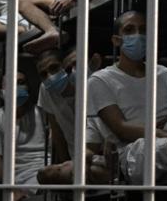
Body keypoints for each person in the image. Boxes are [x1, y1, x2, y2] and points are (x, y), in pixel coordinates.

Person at [88, 10, 167, 182]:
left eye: (143, 30)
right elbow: (121, 128)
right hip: (132, 150)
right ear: (116, 40)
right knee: (156, 149)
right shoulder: (100, 80)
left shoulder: (164, 74)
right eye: (129, 30)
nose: (138, 35)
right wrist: (163, 134)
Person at [34, 48, 111, 185]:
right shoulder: (46, 90)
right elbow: (56, 131)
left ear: (65, 66)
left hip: (105, 153)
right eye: (43, 74)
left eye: (54, 68)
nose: (50, 77)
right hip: (77, 156)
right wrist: (66, 162)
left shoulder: (93, 82)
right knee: (45, 175)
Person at [0, 69, 48, 201]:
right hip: (21, 180)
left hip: (49, 170)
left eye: (21, 83)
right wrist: (14, 190)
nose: (17, 87)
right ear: (1, 93)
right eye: (11, 84)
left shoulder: (43, 113)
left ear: (28, 88)